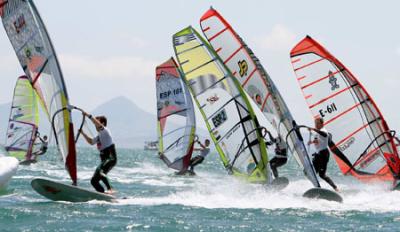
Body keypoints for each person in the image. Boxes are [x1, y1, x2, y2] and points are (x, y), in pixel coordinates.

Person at [79, 112, 117, 194]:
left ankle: (111, 189)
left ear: (102, 123)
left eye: (97, 122)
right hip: (104, 159)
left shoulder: (105, 131)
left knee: (100, 171)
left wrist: (87, 115)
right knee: (94, 181)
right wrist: (82, 133)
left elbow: (95, 122)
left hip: (110, 157)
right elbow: (91, 142)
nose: (94, 125)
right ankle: (102, 194)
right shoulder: (99, 135)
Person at [308, 117, 339, 192]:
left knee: (316, 172)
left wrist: (313, 129)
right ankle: (335, 188)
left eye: (317, 123)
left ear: (322, 124)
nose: (316, 125)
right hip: (320, 154)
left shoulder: (323, 130)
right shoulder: (318, 132)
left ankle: (320, 188)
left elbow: (325, 135)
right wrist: (312, 142)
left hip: (323, 154)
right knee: (321, 174)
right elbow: (318, 141)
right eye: (315, 123)